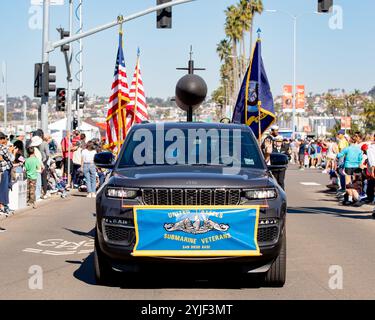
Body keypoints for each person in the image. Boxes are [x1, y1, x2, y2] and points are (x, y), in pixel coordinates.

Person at [0, 132, 16, 216]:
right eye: (5, 138)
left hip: (1, 170)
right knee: (4, 188)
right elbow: (11, 158)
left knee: (3, 187)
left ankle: (4, 206)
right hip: (5, 169)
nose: (6, 140)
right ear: (1, 139)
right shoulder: (3, 148)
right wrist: (13, 151)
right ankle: (3, 206)